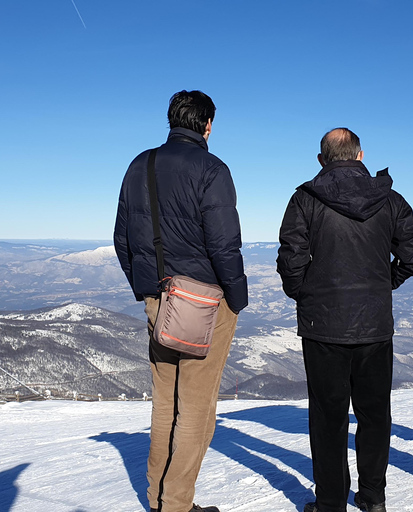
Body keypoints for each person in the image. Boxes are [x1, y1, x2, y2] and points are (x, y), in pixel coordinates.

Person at [277, 128, 413, 512]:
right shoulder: (390, 200)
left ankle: (330, 503)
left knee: (328, 418)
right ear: (360, 156)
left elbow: (290, 262)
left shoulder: (305, 200)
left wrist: (308, 294)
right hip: (374, 324)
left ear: (321, 160)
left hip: (323, 327)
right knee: (375, 415)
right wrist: (385, 283)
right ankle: (373, 497)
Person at [114, 90, 248, 512]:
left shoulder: (141, 164)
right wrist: (237, 299)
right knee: (196, 408)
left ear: (172, 120)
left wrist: (149, 289)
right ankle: (177, 505)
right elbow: (225, 245)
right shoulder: (212, 169)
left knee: (164, 404)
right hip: (206, 304)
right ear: (207, 125)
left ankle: (158, 499)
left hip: (160, 299)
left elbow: (123, 239)